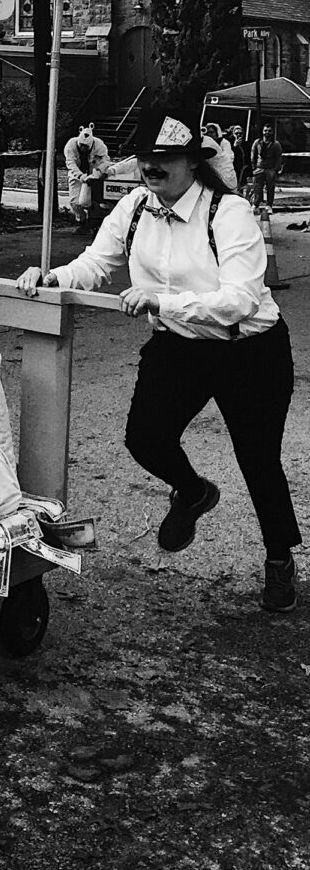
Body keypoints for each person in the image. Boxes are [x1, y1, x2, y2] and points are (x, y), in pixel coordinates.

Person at [16, 108, 299, 614]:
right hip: (177, 346)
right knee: (145, 437)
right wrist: (52, 277)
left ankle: (279, 560)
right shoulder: (134, 207)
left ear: (193, 162)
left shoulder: (227, 212)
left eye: (165, 157)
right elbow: (96, 263)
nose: (152, 165)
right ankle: (192, 492)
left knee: (258, 459)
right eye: (146, 156)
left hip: (248, 350)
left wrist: (159, 301)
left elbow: (240, 300)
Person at [63, 124, 110, 226]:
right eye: (81, 146)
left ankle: (93, 220)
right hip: (76, 175)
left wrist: (98, 173)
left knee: (93, 200)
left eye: (86, 147)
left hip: (93, 174)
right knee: (75, 202)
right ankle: (81, 219)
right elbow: (70, 163)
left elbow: (105, 161)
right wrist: (80, 175)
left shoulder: (99, 145)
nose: (83, 149)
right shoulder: (71, 145)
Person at [249, 122, 282, 209]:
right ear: (262, 131)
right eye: (265, 130)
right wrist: (254, 167)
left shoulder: (275, 144)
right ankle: (256, 204)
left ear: (272, 132)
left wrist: (276, 169)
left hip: (270, 169)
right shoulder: (257, 142)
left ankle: (269, 205)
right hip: (259, 168)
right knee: (257, 188)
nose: (267, 133)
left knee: (270, 188)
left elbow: (278, 157)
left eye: (269, 131)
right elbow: (253, 155)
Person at [201, 121, 237, 191]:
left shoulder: (224, 143)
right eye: (207, 133)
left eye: (212, 132)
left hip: (225, 172)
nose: (209, 134)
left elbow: (227, 157)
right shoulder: (205, 143)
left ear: (217, 132)